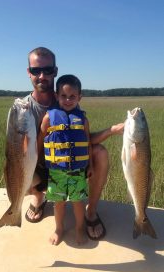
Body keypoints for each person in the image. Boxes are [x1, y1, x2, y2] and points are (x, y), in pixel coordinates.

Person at [24, 46, 124, 240]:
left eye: (47, 70)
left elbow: (85, 140)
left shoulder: (73, 108)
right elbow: (31, 144)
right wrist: (32, 168)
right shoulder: (24, 108)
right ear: (29, 72)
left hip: (74, 165)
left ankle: (90, 212)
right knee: (23, 166)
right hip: (45, 164)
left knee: (99, 155)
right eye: (36, 70)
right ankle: (39, 199)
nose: (42, 75)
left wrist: (111, 132)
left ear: (55, 71)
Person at [38, 74, 92, 245]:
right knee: (58, 203)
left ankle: (79, 228)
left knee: (78, 202)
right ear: (56, 96)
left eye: (72, 96)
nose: (68, 100)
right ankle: (59, 228)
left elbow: (88, 142)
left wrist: (90, 165)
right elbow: (42, 139)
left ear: (79, 97)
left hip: (77, 171)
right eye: (63, 96)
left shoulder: (83, 119)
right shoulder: (49, 117)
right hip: (56, 171)